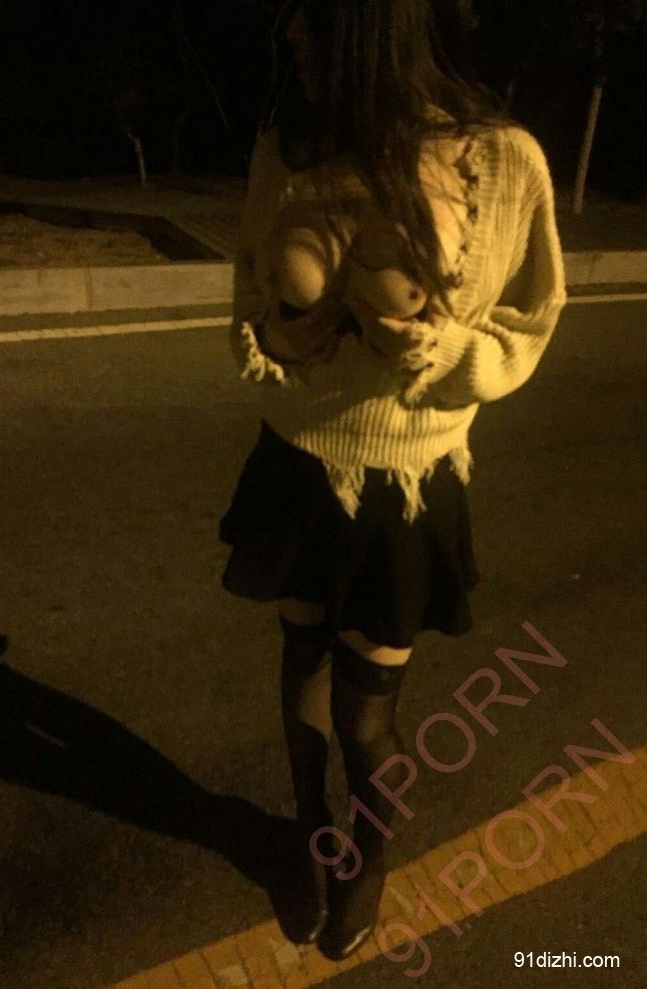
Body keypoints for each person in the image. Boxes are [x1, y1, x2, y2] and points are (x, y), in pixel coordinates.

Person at [219, 0, 567, 963]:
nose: (291, 34)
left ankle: (366, 857)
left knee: (367, 711)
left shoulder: (501, 162)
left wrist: (441, 350)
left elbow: (534, 319)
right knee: (301, 663)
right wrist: (281, 333)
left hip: (404, 485)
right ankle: (308, 828)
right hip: (297, 463)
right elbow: (246, 294)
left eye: (309, 18)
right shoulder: (288, 147)